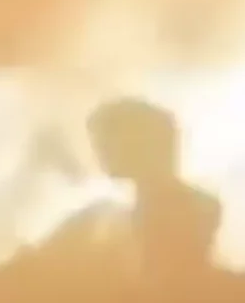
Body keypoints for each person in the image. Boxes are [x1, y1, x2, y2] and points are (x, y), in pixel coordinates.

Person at [88, 98, 221, 283]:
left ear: (139, 144)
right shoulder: (118, 216)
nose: (100, 154)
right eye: (99, 145)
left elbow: (164, 281)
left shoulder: (189, 210)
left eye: (106, 144)